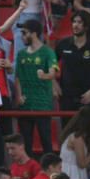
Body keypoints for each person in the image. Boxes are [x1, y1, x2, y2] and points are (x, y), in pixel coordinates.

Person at [14, 19, 57, 155]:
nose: (22, 36)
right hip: (25, 104)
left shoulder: (47, 52)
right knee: (25, 143)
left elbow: (52, 73)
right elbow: (18, 77)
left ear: (34, 34)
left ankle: (50, 171)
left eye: (24, 33)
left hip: (42, 104)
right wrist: (19, 96)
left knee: (46, 141)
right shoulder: (21, 54)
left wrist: (44, 76)